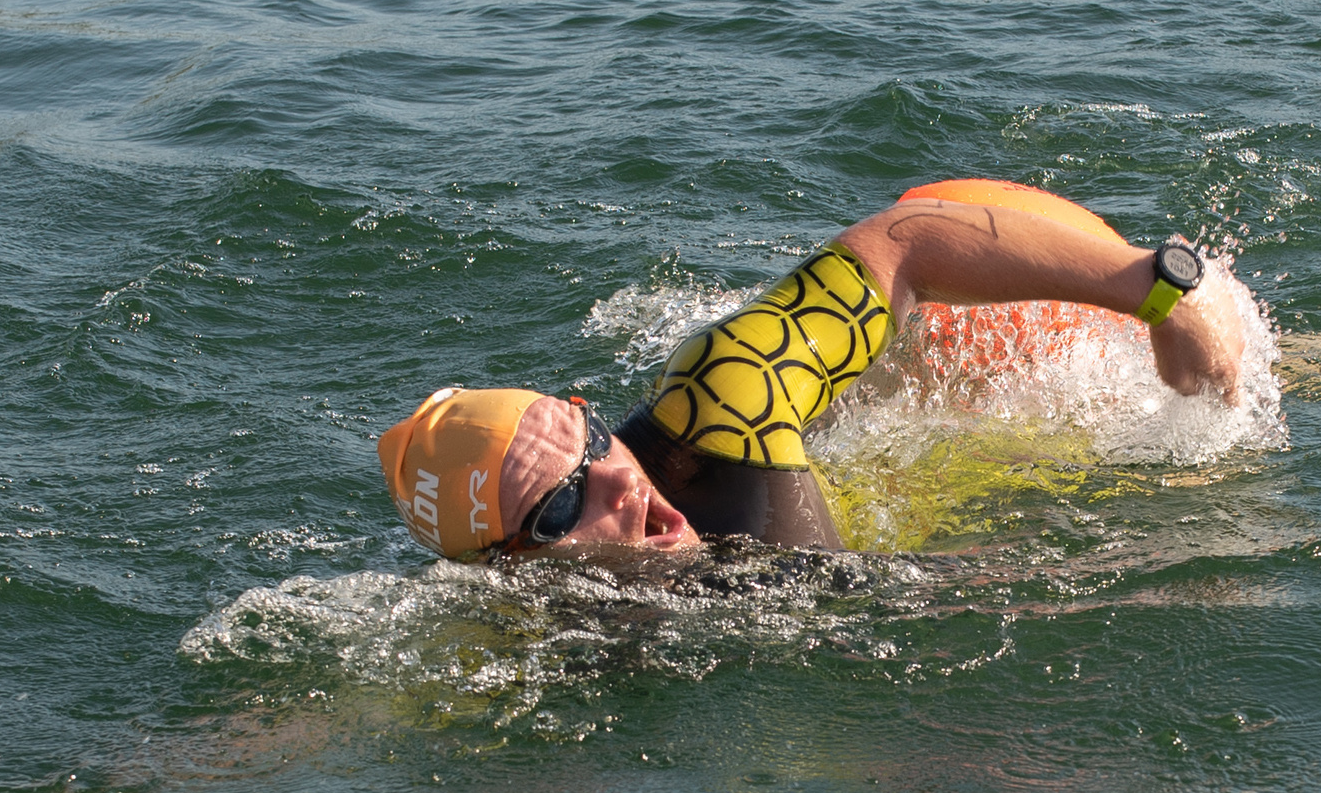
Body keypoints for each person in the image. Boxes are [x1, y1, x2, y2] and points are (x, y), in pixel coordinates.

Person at [376, 179, 1250, 561]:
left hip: (990, 362)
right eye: (564, 506)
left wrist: (1163, 291)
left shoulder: (728, 397)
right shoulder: (527, 636)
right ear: (511, 568)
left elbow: (905, 244)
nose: (622, 488)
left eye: (594, 442)